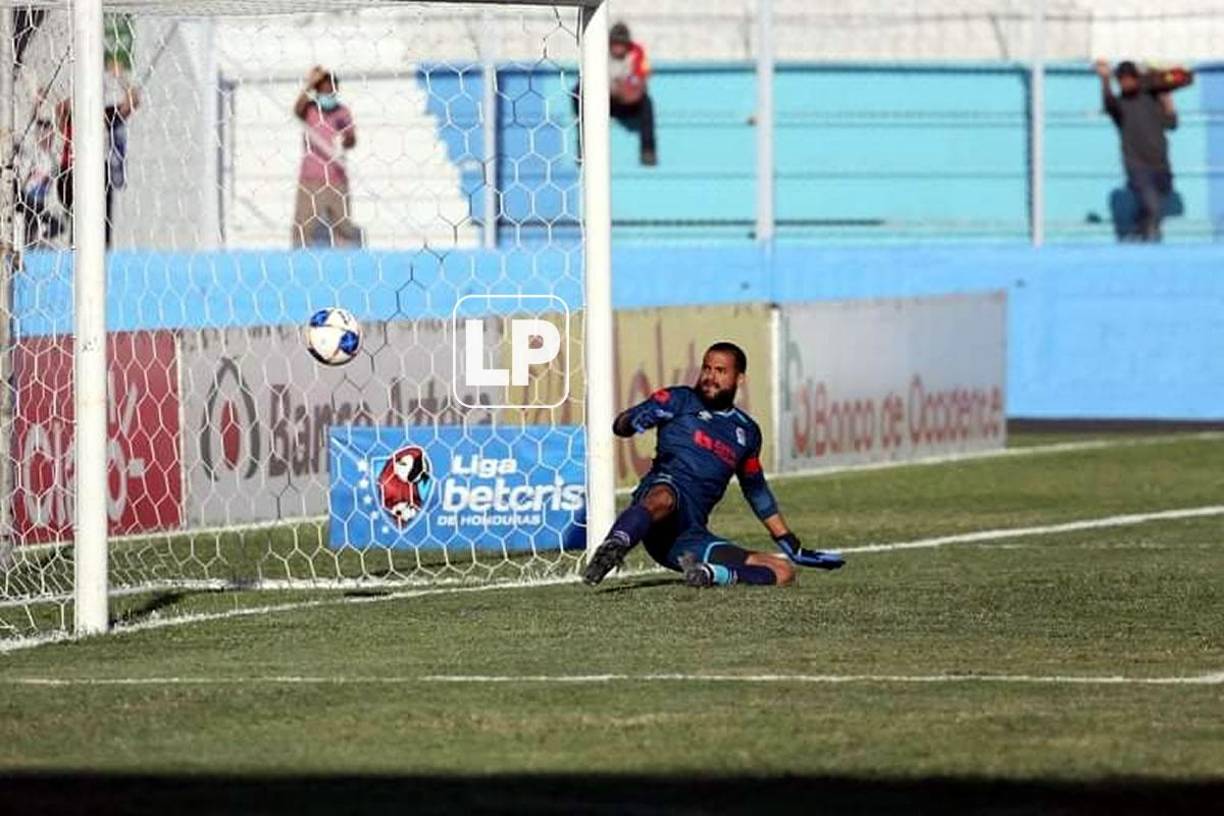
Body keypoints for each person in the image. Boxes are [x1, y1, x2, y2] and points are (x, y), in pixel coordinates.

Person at [583, 342, 844, 589]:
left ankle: (710, 574)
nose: (710, 376)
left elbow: (756, 489)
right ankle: (614, 546)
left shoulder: (747, 431)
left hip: (687, 537)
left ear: (739, 378)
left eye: (720, 371)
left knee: (783, 571)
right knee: (664, 495)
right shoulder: (677, 399)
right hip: (656, 509)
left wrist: (788, 541)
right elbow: (620, 426)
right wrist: (633, 420)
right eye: (707, 368)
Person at [1096, 59, 1192, 242]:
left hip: (1160, 163)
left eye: (1128, 79)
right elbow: (1108, 102)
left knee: (1157, 201)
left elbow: (1172, 123)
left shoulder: (1152, 99)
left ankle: (1141, 228)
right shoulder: (1120, 106)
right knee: (1152, 204)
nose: (1125, 83)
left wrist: (1166, 97)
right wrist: (1105, 79)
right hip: (1137, 165)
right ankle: (1149, 240)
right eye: (1121, 80)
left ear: (1136, 79)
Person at [50, 55, 140, 248]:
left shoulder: (105, 116)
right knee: (78, 221)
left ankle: (102, 252)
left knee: (102, 222)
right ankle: (77, 250)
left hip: (98, 172)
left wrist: (120, 76)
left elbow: (132, 102)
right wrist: (83, 90)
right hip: (72, 171)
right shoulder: (72, 116)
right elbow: (60, 108)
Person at [292, 66, 362, 248]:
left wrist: (346, 140)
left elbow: (352, 139)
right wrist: (309, 84)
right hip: (310, 180)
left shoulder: (343, 112)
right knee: (302, 229)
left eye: (331, 89)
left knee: (343, 230)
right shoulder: (309, 109)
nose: (327, 93)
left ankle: (347, 261)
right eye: (323, 90)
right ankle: (298, 260)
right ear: (316, 91)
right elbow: (296, 109)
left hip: (337, 178)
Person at [572, 21, 658, 166]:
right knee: (578, 91)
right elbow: (589, 81)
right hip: (601, 100)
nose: (618, 47)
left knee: (646, 103)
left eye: (622, 44)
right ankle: (584, 145)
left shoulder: (637, 54)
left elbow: (639, 86)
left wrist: (624, 90)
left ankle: (648, 150)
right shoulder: (598, 53)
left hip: (626, 103)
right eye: (615, 43)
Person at [15, 119, 62, 248]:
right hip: (27, 198)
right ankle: (30, 243)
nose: (48, 139)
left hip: (40, 203)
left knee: (57, 226)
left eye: (50, 135)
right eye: (44, 135)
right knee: (29, 223)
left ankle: (37, 240)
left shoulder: (53, 159)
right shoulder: (31, 154)